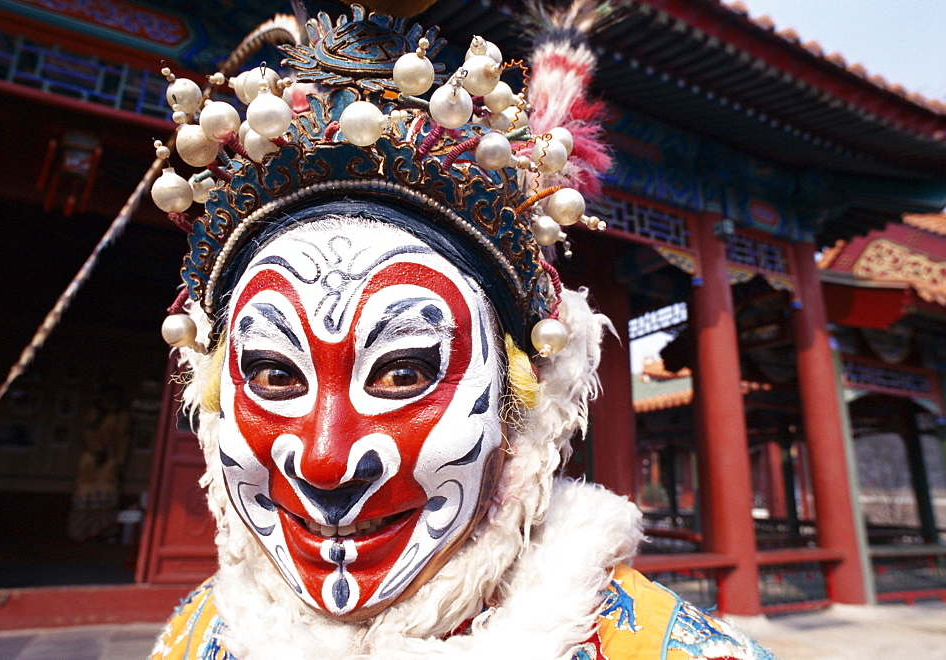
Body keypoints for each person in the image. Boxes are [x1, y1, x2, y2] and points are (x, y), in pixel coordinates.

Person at [148, 3, 773, 658]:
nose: (325, 461)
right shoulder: (199, 637)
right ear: (217, 400)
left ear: (518, 408)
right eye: (275, 374)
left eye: (404, 372)